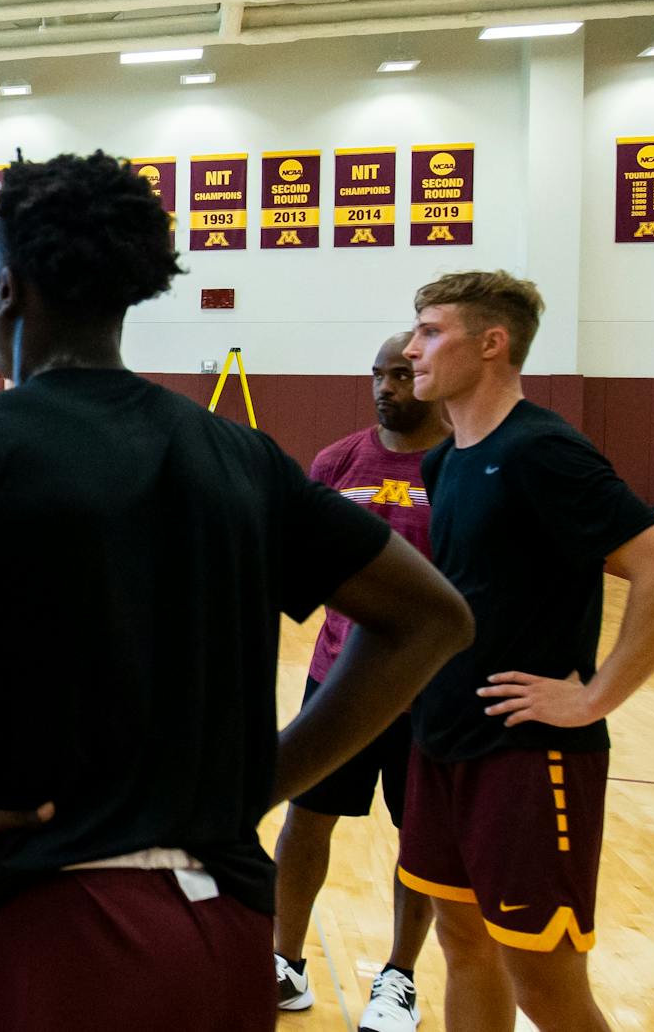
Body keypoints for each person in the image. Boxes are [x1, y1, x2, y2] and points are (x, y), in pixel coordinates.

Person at [0, 151, 474, 1030]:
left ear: (7, 287)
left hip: (60, 918)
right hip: (228, 925)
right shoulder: (241, 454)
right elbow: (431, 618)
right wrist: (269, 776)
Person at [399, 271, 654, 1032]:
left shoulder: (542, 450)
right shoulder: (445, 459)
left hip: (527, 753)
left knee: (542, 982)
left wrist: (595, 697)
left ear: (492, 343)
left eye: (431, 331)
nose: (411, 348)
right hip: (443, 739)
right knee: (462, 944)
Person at [272, 333, 451, 1032]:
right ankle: (285, 962)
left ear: (428, 376)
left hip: (431, 692)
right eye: (378, 375)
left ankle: (399, 977)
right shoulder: (336, 461)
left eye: (401, 374)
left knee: (423, 839)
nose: (386, 387)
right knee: (305, 821)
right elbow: (301, 565)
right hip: (339, 681)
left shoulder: (460, 464)